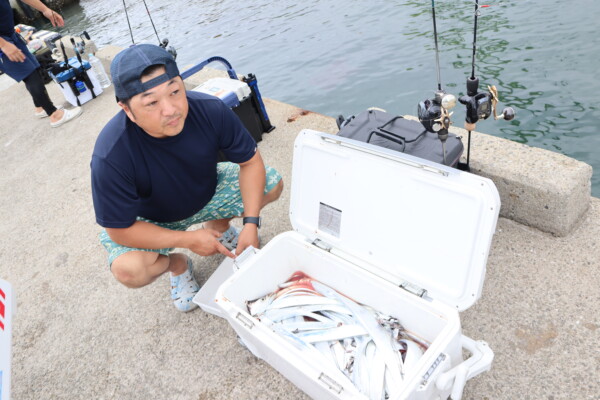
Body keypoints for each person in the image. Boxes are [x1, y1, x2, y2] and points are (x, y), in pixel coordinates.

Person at [91, 44, 283, 312]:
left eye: (175, 91)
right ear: (126, 109)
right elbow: (118, 229)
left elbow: (250, 163)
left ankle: (217, 228)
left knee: (272, 183)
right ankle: (178, 266)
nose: (170, 109)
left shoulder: (210, 109)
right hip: (151, 218)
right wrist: (186, 240)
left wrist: (251, 224)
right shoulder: (110, 155)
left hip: (207, 192)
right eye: (151, 102)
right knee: (129, 270)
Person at [0, 0, 82, 127]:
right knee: (30, 75)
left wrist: (45, 10)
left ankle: (40, 107)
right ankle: (55, 115)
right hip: (2, 43)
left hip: (10, 34)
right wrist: (4, 45)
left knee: (36, 68)